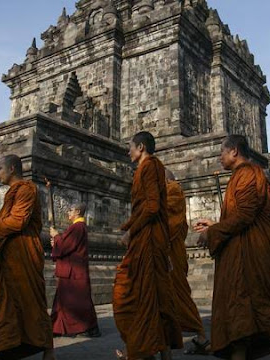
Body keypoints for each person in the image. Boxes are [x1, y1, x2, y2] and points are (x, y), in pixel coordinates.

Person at [194, 135, 270, 360]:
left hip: (251, 256)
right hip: (241, 254)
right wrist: (215, 225)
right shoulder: (239, 176)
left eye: (222, 152)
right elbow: (241, 214)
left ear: (234, 151)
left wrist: (213, 232)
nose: (219, 157)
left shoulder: (249, 174)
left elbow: (245, 215)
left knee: (262, 307)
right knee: (239, 314)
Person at [0, 154, 54, 360]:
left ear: (12, 169)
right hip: (6, 257)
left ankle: (47, 347)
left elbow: (17, 223)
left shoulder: (26, 190)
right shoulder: (13, 193)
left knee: (31, 302)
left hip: (23, 254)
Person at [113, 131, 182, 360]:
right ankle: (154, 351)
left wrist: (132, 230)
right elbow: (144, 207)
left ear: (141, 147)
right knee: (152, 296)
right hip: (147, 239)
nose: (128, 151)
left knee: (133, 293)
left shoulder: (150, 166)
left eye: (130, 146)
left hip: (149, 240)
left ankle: (141, 349)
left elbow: (152, 207)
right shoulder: (144, 169)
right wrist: (128, 225)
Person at [164, 169, 210, 355]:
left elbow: (167, 223)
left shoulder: (173, 190)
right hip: (165, 251)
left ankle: (201, 336)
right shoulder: (166, 192)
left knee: (178, 295)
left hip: (169, 253)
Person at [49, 202, 100, 337]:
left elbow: (65, 246)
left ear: (77, 211)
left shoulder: (78, 227)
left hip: (74, 272)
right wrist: (57, 242)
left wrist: (56, 236)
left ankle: (85, 328)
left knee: (77, 301)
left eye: (70, 210)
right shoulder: (77, 227)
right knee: (64, 301)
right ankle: (59, 328)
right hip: (72, 271)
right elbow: (67, 245)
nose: (68, 213)